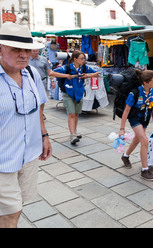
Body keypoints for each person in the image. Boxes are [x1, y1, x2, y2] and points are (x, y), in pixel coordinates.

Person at [0, 22, 52, 228]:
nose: (23, 54)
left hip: (29, 154)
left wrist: (44, 136)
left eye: (27, 49)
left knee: (18, 205)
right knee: (12, 211)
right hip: (3, 160)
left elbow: (39, 105)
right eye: (16, 49)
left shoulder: (31, 73)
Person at [49, 50, 99, 145]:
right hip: (68, 93)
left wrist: (88, 75)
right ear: (75, 59)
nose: (83, 60)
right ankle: (72, 135)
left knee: (76, 114)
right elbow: (51, 73)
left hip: (79, 93)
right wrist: (67, 76)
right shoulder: (67, 67)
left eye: (84, 58)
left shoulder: (83, 67)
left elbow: (96, 73)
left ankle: (74, 131)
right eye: (81, 58)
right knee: (71, 114)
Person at [119, 70, 153, 181]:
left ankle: (125, 156)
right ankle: (145, 170)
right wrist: (122, 129)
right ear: (145, 82)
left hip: (145, 118)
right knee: (144, 141)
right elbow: (126, 111)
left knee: (137, 139)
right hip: (134, 118)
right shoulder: (134, 93)